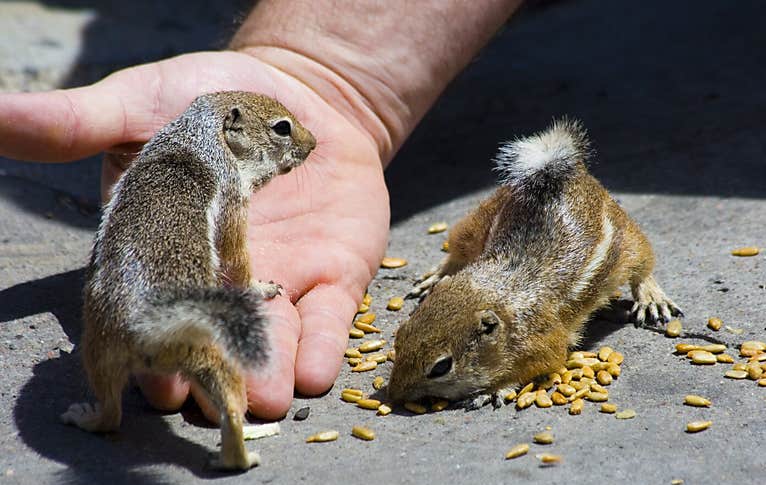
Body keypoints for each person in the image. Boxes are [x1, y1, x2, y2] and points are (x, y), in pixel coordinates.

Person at [0, 0, 523, 420]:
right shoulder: (218, 171)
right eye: (279, 133)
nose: (300, 145)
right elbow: (229, 241)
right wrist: (322, 67)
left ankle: (111, 408)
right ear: (232, 127)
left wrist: (340, 81)